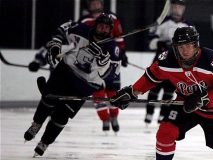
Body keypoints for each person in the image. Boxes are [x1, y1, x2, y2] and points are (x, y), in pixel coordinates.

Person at [110, 26, 213, 160]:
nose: (185, 50)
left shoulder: (212, 62)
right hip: (185, 104)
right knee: (165, 133)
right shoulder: (167, 59)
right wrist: (132, 92)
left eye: (189, 45)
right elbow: (150, 77)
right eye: (180, 46)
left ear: (196, 45)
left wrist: (203, 99)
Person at [23, 13, 121, 156]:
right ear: (95, 25)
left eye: (106, 28)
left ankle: (45, 142)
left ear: (110, 30)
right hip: (66, 72)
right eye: (100, 26)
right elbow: (62, 30)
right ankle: (36, 124)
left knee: (62, 116)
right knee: (48, 98)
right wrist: (56, 45)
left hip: (85, 85)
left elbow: (112, 75)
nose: (103, 30)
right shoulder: (80, 30)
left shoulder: (112, 49)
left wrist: (103, 64)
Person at [79, 0, 127, 133]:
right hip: (93, 63)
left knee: (113, 91)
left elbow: (119, 38)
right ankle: (104, 119)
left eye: (97, 3)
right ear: (89, 6)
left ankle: (114, 117)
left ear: (101, 4)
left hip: (112, 60)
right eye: (92, 3)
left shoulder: (113, 18)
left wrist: (122, 54)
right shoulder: (84, 21)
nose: (95, 6)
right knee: (97, 92)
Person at [145, 0, 191, 124]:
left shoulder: (188, 26)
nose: (177, 9)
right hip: (160, 61)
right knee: (154, 88)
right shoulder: (162, 22)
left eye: (180, 7)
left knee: (169, 92)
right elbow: (151, 42)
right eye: (175, 6)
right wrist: (159, 44)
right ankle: (149, 114)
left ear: (184, 9)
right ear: (171, 8)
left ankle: (162, 116)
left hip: (176, 64)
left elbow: (192, 47)